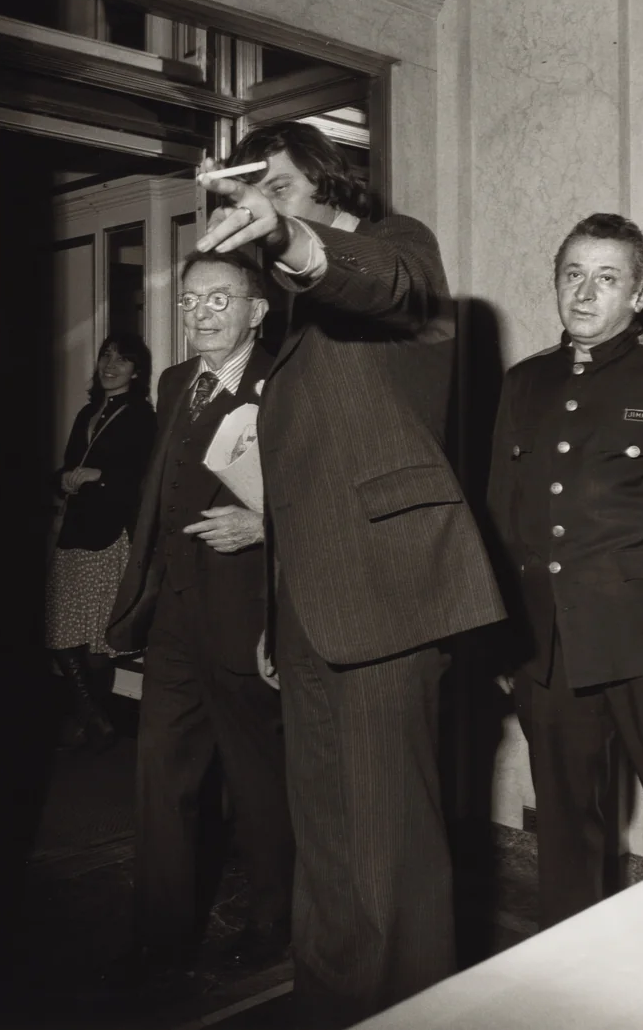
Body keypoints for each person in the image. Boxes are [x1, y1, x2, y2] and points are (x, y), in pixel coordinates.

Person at [196, 122, 505, 1027]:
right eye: (259, 195)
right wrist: (276, 606)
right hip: (313, 606)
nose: (266, 207)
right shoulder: (288, 330)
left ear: (334, 189)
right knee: (329, 849)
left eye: (283, 187)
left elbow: (382, 279)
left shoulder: (398, 250)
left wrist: (292, 235)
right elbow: (303, 485)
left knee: (392, 854)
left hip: (390, 602)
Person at [486, 213, 643, 928]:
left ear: (641, 290)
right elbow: (502, 518)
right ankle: (575, 972)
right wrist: (506, 636)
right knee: (565, 833)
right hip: (550, 648)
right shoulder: (526, 381)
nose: (584, 292)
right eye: (573, 274)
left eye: (607, 277)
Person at [106, 249, 294, 981]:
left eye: (220, 299)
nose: (201, 313)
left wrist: (266, 524)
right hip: (174, 614)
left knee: (257, 781)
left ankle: (274, 923)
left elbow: (330, 497)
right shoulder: (175, 380)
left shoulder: (287, 381)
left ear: (256, 310)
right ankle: (159, 938)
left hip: (248, 614)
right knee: (161, 777)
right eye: (190, 300)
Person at [46, 334, 156, 751]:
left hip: (109, 536)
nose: (110, 365)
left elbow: (141, 481)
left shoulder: (142, 416)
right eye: (106, 356)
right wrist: (64, 478)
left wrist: (99, 477)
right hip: (73, 533)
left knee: (97, 641)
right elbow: (66, 468)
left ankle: (97, 720)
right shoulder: (87, 412)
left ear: (136, 371)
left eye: (122, 360)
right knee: (59, 631)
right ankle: (93, 714)